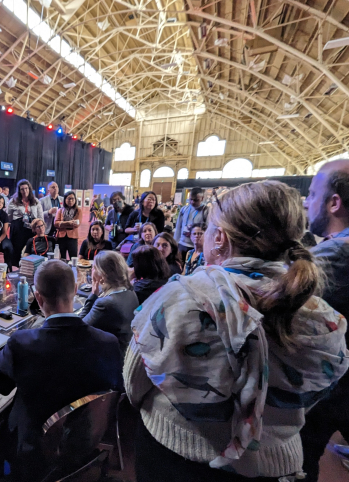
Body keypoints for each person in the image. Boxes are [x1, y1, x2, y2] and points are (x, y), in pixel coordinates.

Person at [123, 180, 348, 482]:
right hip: (277, 465)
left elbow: (134, 383)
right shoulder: (325, 319)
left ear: (219, 238)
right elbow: (314, 396)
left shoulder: (178, 299)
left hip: (178, 458)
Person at [0, 260, 123, 479]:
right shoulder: (109, 343)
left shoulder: (21, 343)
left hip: (34, 450)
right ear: (76, 291)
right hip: (85, 439)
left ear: (38, 298)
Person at [299, 160, 349, 482]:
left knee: (299, 460)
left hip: (335, 385)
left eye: (312, 193)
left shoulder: (335, 255)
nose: (306, 201)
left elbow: (273, 297)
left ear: (334, 202)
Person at [78, 251, 139, 357]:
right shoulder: (130, 292)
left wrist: (93, 295)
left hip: (110, 359)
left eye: (94, 268)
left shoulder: (105, 304)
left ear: (103, 275)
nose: (92, 270)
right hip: (125, 352)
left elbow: (79, 328)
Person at [7, 179, 43, 267]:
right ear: (19, 190)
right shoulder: (13, 201)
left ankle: (30, 267)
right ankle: (17, 267)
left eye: (26, 188)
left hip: (31, 228)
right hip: (18, 228)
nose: (24, 191)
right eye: (22, 189)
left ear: (29, 189)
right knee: (17, 249)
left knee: (30, 248)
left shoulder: (36, 201)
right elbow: (9, 216)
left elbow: (40, 216)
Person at [174, 187, 208, 264]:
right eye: (190, 199)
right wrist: (175, 243)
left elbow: (208, 230)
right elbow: (178, 227)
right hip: (182, 244)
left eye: (196, 200)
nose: (192, 202)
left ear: (202, 198)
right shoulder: (184, 209)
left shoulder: (206, 211)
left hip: (196, 246)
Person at [54, 191, 82, 260]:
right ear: (65, 199)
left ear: (75, 200)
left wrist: (62, 224)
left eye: (72, 198)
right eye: (69, 199)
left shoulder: (78, 211)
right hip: (61, 237)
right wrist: (69, 223)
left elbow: (76, 224)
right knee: (61, 258)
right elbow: (56, 223)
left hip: (72, 237)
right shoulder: (60, 210)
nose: (71, 200)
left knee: (73, 258)